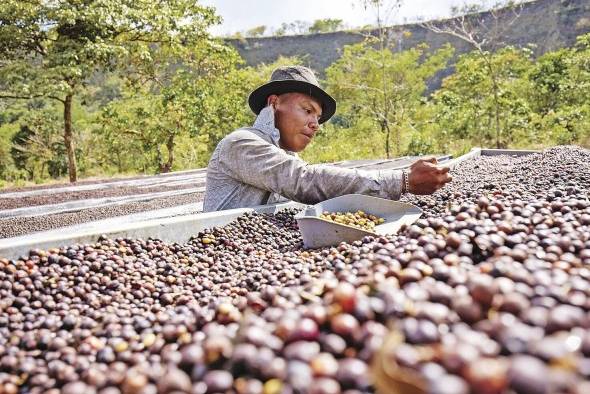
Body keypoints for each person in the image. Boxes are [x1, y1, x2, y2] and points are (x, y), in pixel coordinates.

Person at [203, 65, 451, 212]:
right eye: (308, 110)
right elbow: (304, 180)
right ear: (274, 103)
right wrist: (402, 180)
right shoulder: (242, 143)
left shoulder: (285, 155)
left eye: (318, 118)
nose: (315, 124)